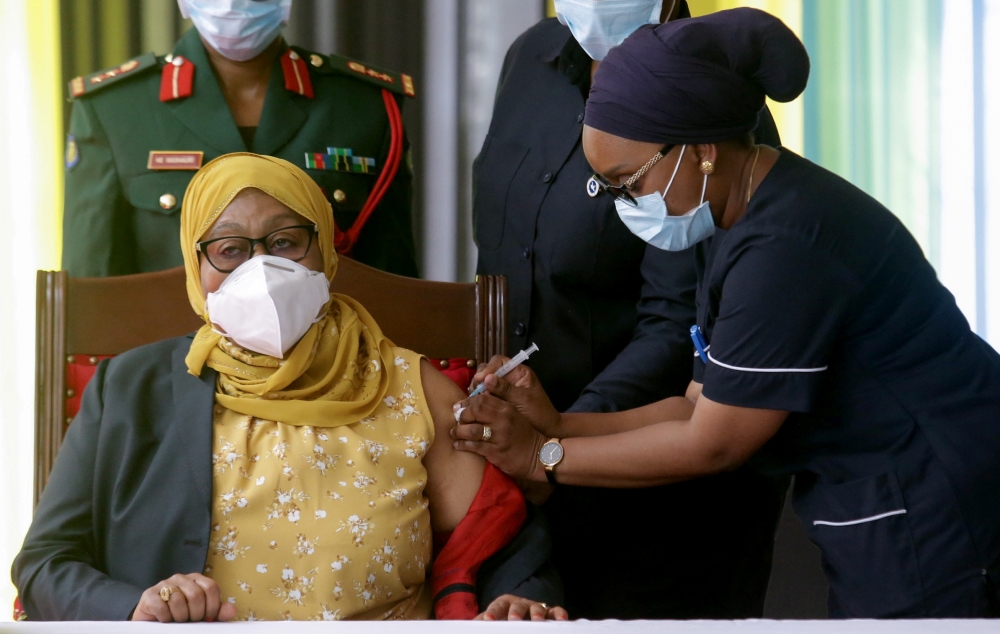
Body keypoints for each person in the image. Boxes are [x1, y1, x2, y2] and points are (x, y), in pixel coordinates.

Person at [454, 8, 1000, 618]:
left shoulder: (786, 244)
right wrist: (556, 425)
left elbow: (712, 443)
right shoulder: (733, 221)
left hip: (934, 495)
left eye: (625, 183)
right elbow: (691, 403)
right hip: (877, 495)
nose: (621, 205)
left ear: (700, 152)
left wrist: (540, 458)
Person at [14, 153, 566, 622]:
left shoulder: (409, 383)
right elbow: (43, 563)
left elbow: (503, 537)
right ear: (194, 265)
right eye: (229, 250)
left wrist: (520, 600)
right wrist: (136, 608)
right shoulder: (130, 389)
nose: (261, 269)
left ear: (324, 250)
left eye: (285, 242)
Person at [472, 0, 784, 619]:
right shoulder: (532, 59)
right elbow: (499, 259)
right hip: (523, 476)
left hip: (652, 491)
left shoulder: (709, 98)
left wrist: (552, 443)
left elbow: (676, 328)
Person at [63, 0, 418, 278]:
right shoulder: (114, 108)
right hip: (171, 362)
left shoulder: (363, 104)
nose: (233, 5)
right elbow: (92, 284)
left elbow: (394, 280)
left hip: (332, 362)